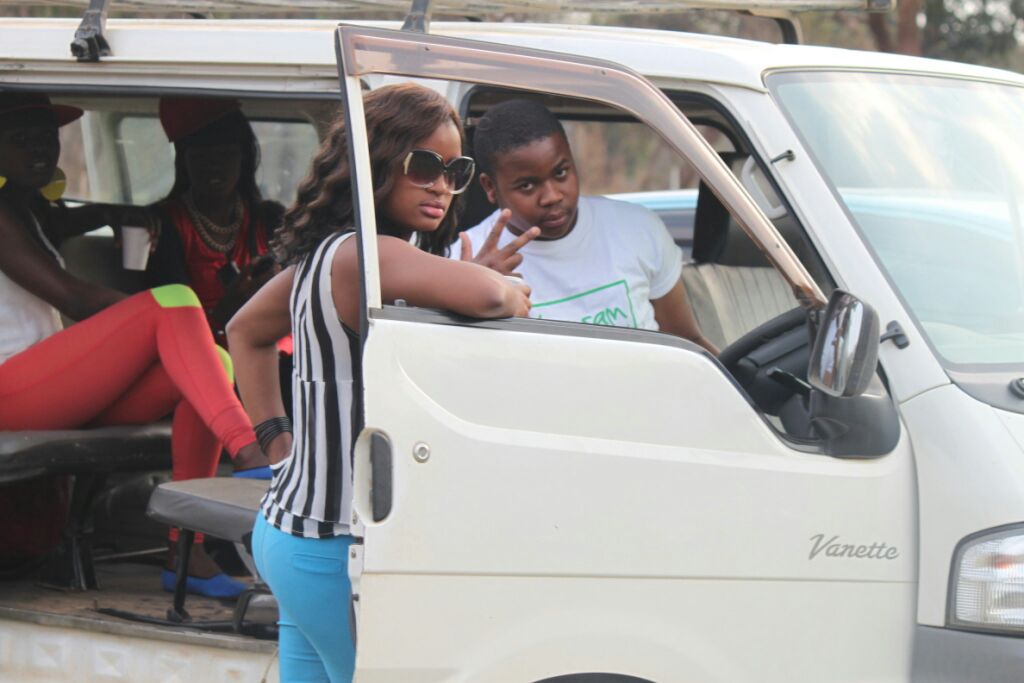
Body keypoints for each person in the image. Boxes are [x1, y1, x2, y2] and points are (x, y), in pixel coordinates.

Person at [227, 83, 530, 683]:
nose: (441, 185)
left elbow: (244, 332)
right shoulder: (367, 256)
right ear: (377, 162)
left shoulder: (330, 255)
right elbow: (495, 297)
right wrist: (496, 285)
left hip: (291, 532)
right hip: (335, 549)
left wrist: (278, 446)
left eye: (455, 171)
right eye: (424, 166)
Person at [0, 92, 269, 598]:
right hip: (9, 391)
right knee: (175, 302)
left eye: (46, 138)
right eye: (20, 139)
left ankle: (186, 551)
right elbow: (70, 297)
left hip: (50, 393)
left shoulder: (25, 208)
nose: (39, 149)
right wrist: (154, 320)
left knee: (212, 361)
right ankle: (249, 448)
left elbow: (63, 220)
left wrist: (113, 213)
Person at [458, 98, 719, 355]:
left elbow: (685, 339)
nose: (552, 196)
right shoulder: (465, 260)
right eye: (527, 185)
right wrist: (473, 291)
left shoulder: (638, 228)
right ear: (490, 187)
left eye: (561, 173)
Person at [147, 97, 284, 346]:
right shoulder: (164, 225)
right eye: (201, 155)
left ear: (243, 157)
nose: (213, 166)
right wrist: (225, 310)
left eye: (225, 154)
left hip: (272, 346)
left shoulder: (270, 218)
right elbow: (171, 323)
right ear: (184, 160)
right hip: (200, 352)